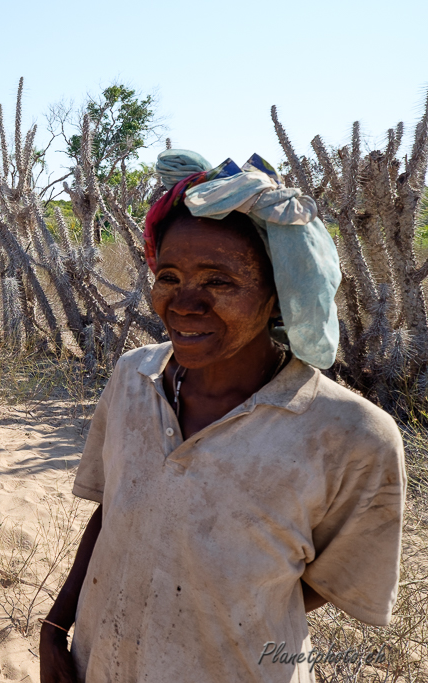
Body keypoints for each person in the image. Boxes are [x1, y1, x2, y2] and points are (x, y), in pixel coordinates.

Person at [39, 150, 406, 683]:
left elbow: (317, 586)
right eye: (169, 276)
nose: (185, 303)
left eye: (219, 282)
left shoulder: (350, 435)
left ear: (279, 296)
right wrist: (56, 627)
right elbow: (113, 513)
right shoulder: (132, 380)